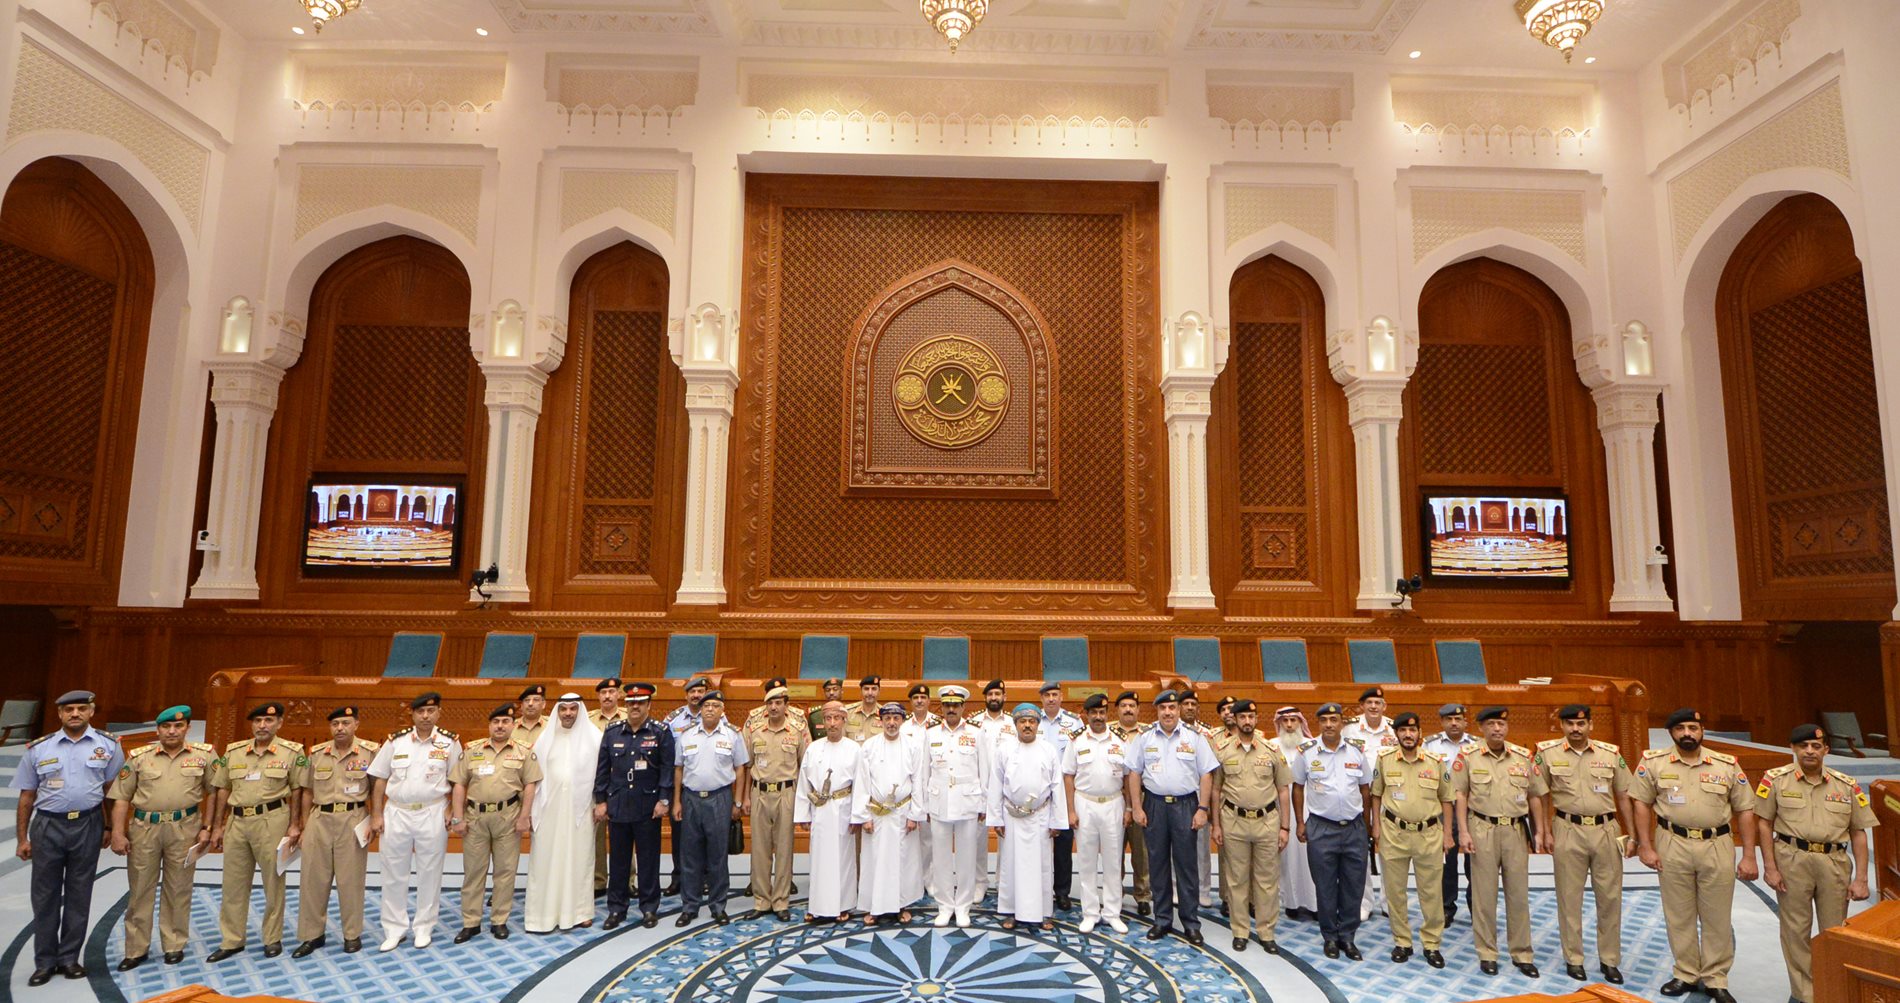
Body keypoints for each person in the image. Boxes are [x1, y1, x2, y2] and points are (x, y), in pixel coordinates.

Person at [1631, 707, 1758, 1003]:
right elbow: (1640, 803)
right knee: (1679, 913)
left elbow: (1745, 809)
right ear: (1671, 733)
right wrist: (1645, 845)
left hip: (1717, 844)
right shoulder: (1654, 763)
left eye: (1693, 728)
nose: (1687, 733)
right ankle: (1686, 973)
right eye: (1681, 729)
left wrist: (1749, 855)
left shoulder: (1726, 765)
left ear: (1701, 731)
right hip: (1671, 841)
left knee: (1717, 914)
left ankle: (1715, 977)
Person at [1758, 723, 1878, 1003]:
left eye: (1815, 746)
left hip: (1833, 861)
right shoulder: (1776, 780)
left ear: (1826, 749)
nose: (1809, 751)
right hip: (1791, 859)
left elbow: (1859, 832)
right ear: (1793, 748)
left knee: (1834, 930)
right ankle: (1805, 994)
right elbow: (1764, 824)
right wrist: (1771, 866)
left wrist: (1861, 878)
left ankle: (1833, 990)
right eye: (1803, 746)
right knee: (1795, 929)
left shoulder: (1845, 784)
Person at [14, 690, 123, 985]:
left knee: (79, 892)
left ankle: (69, 957)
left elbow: (113, 792)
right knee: (45, 895)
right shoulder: (39, 748)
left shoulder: (109, 746)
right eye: (68, 709)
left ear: (91, 712)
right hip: (48, 826)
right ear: (59, 714)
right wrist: (22, 838)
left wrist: (112, 828)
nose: (75, 713)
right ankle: (45, 961)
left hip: (88, 824)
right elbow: (26, 797)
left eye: (81, 708)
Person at [1533, 703, 1634, 984]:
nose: (1575, 729)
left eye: (1581, 724)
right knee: (1569, 897)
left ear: (1590, 725)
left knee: (1610, 898)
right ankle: (1574, 958)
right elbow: (1540, 795)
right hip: (1566, 828)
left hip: (1606, 830)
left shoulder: (1610, 754)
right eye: (1570, 724)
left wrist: (1633, 834)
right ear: (1562, 726)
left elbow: (1624, 795)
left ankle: (1609, 960)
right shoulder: (1546, 753)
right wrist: (1544, 832)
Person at [109, 704, 212, 971]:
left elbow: (215, 791)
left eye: (178, 726)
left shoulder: (204, 755)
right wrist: (118, 833)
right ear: (158, 729)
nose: (172, 731)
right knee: (141, 888)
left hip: (185, 827)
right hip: (145, 828)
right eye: (166, 726)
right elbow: (121, 797)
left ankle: (174, 944)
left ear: (187, 728)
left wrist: (208, 827)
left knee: (179, 888)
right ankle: (135, 948)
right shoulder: (139, 757)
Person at [208, 700, 307, 963]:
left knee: (273, 882)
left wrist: (295, 824)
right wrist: (217, 825)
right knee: (233, 884)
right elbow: (222, 789)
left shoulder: (291, 752)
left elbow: (298, 790)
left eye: (269, 721)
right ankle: (232, 939)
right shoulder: (234, 752)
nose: (262, 725)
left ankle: (272, 938)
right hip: (237, 822)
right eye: (258, 721)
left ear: (279, 723)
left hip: (272, 820)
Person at [1456, 706, 1547, 978]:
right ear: (1481, 728)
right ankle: (1487, 952)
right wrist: (1463, 831)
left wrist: (1540, 830)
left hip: (1516, 831)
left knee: (1518, 894)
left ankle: (1522, 953)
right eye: (1492, 724)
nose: (1497, 729)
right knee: (1484, 895)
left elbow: (1535, 796)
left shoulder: (1523, 757)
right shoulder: (1468, 757)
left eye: (1501, 724)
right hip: (1482, 827)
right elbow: (1460, 794)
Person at [1123, 689, 1218, 945]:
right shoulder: (1144, 738)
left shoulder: (1195, 738)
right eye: (1163, 708)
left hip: (1186, 805)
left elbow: (1207, 774)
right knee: (1157, 864)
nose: (1167, 712)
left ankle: (1191, 923)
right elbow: (1133, 773)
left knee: (1187, 866)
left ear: (1178, 711)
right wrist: (1137, 807)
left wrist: (1202, 809)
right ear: (1157, 711)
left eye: (1172, 708)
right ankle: (1162, 919)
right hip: (1154, 805)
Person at [367, 691, 460, 951]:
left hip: (432, 810)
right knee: (392, 871)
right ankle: (394, 928)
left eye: (431, 711)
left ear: (439, 713)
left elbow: (458, 780)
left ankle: (423, 927)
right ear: (413, 713)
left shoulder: (450, 743)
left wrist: (452, 807)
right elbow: (379, 778)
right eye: (421, 711)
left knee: (430, 871)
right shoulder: (396, 742)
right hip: (396, 811)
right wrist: (376, 814)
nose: (426, 716)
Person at [450, 703, 541, 942]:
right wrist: (457, 817)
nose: (500, 726)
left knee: (505, 872)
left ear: (513, 725)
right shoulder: (472, 750)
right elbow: (459, 784)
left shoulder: (524, 751)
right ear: (490, 725)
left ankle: (499, 920)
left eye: (505, 722)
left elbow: (530, 786)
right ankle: (471, 922)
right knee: (473, 872)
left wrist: (525, 816)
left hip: (508, 817)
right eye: (495, 722)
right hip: (475, 818)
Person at [291, 705, 377, 958]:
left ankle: (352, 934)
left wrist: (375, 818)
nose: (340, 728)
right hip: (320, 818)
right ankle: (312, 935)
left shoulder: (370, 752)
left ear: (356, 725)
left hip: (353, 817)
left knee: (350, 881)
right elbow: (307, 792)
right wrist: (305, 826)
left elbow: (377, 788)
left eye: (345, 723)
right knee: (312, 880)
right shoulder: (317, 754)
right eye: (335, 724)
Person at [1369, 711, 1454, 968]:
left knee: (1431, 893)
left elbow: (1447, 799)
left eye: (1413, 730)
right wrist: (1376, 827)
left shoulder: (1435, 761)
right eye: (1403, 730)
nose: (1408, 734)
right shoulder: (1384, 760)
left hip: (1429, 835)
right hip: (1394, 833)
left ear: (1419, 733)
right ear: (1396, 734)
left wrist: (1448, 834)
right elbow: (1375, 794)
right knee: (1396, 892)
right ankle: (1402, 942)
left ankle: (1431, 944)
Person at [1290, 701, 1371, 960]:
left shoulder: (1357, 751)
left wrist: (1367, 825)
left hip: (1353, 828)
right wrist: (1301, 823)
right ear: (1318, 724)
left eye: (1333, 720)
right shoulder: (1306, 752)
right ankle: (1330, 937)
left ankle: (1348, 937)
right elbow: (1298, 787)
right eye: (1324, 721)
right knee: (1324, 886)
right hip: (1321, 828)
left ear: (1341, 724)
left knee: (1353, 885)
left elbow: (1366, 789)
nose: (1328, 725)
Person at [1211, 699, 1292, 953]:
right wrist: (1216, 825)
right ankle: (1240, 931)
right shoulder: (1222, 751)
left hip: (1267, 823)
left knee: (1267, 880)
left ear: (1257, 719)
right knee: (1236, 880)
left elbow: (1283, 791)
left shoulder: (1270, 751)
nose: (1247, 721)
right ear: (1234, 719)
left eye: (1251, 716)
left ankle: (1267, 932)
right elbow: (1215, 790)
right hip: (1233, 822)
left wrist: (1285, 828)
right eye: (1242, 716)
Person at [591, 683, 669, 929]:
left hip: (648, 805)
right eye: (631, 703)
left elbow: (667, 769)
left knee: (648, 859)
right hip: (619, 804)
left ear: (648, 705)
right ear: (626, 705)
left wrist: (664, 800)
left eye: (641, 702)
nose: (635, 707)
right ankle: (617, 908)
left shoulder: (659, 732)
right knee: (619, 860)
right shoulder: (613, 732)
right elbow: (602, 769)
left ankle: (648, 907)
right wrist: (601, 800)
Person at [673, 689, 748, 926]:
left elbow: (740, 769)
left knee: (717, 856)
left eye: (715, 706)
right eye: (706, 706)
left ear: (722, 710)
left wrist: (737, 801)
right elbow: (678, 769)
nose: (710, 709)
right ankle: (690, 906)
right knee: (690, 856)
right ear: (700, 710)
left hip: (720, 799)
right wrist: (676, 801)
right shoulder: (686, 736)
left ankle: (718, 906)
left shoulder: (732, 735)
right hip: (691, 799)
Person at [990, 703, 1067, 931]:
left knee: (1041, 866)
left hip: (1040, 817)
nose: (1027, 726)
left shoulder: (1048, 750)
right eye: (1022, 722)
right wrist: (996, 819)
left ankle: (1043, 913)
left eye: (1031, 722)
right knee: (1011, 865)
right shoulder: (1004, 750)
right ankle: (1011, 911)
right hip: (1012, 817)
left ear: (1037, 724)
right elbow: (995, 784)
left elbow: (1057, 787)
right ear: (1015, 725)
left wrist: (1057, 820)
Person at [923, 683, 991, 928]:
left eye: (955, 705)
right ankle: (944, 906)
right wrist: (924, 806)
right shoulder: (930, 734)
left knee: (966, 857)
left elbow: (985, 770)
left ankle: (963, 907)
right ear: (941, 707)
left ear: (963, 707)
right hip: (939, 801)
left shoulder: (976, 733)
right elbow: (923, 772)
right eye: (947, 705)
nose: (951, 709)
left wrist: (984, 803)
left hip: (968, 802)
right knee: (940, 858)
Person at [534, 694, 603, 931]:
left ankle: (580, 912)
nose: (568, 713)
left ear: (580, 711)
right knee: (547, 858)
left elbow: (603, 775)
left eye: (573, 709)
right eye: (563, 709)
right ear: (557, 711)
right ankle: (543, 915)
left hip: (581, 809)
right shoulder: (545, 739)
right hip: (549, 809)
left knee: (580, 859)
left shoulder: (594, 738)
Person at [856, 702, 926, 924]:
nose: (892, 723)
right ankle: (874, 907)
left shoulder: (913, 746)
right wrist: (863, 816)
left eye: (896, 718)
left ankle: (900, 905)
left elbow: (918, 781)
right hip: (876, 813)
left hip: (902, 813)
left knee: (902, 861)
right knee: (875, 860)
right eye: (888, 718)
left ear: (902, 721)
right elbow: (862, 783)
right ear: (881, 720)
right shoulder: (869, 746)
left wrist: (915, 814)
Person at [1065, 693, 1130, 934]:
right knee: (1087, 861)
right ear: (1086, 715)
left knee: (1113, 861)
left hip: (1114, 803)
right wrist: (1071, 810)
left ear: (1107, 714)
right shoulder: (1076, 741)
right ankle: (1090, 913)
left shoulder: (1120, 741)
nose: (1099, 717)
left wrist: (1130, 807)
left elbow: (1128, 776)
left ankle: (1113, 912)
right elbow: (1068, 776)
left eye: (1102, 713)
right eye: (1094, 713)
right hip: (1085, 804)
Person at [745, 683, 808, 920]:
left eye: (778, 703)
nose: (773, 707)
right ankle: (762, 900)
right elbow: (747, 764)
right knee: (759, 850)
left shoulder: (796, 731)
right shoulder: (755, 731)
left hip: (787, 793)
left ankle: (781, 901)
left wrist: (802, 802)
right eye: (770, 703)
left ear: (786, 706)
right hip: (759, 793)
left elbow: (804, 766)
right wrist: (743, 799)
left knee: (784, 849)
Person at [796, 700, 860, 923]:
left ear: (844, 720)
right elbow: (804, 783)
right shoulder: (813, 748)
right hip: (820, 810)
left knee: (843, 859)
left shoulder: (854, 749)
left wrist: (857, 816)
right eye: (828, 719)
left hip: (844, 809)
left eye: (837, 718)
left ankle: (843, 905)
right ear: (823, 722)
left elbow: (861, 786)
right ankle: (817, 905)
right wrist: (803, 814)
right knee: (820, 859)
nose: (833, 723)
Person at [1423, 703, 1477, 925]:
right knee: (1446, 862)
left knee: (1475, 861)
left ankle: (1477, 906)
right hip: (1442, 810)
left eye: (1458, 719)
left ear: (1465, 721)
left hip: (1472, 810)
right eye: (1449, 720)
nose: (1454, 723)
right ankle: (1447, 907)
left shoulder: (1476, 745)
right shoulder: (1430, 745)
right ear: (1442, 722)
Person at [662, 676, 711, 896]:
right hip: (680, 787)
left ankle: (705, 878)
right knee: (679, 835)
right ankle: (679, 877)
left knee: (705, 834)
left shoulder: (715, 715)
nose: (697, 695)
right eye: (693, 692)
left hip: (706, 785)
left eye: (701, 691)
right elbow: (665, 754)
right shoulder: (673, 720)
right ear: (686, 695)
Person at [1037, 681, 1082, 910]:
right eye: (1047, 695)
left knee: (1064, 846)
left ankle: (1062, 892)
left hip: (1065, 792)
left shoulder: (1074, 723)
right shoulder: (1033, 721)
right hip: (1040, 791)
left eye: (1055, 694)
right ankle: (1039, 889)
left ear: (1061, 697)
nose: (1051, 699)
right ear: (1041, 699)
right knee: (1039, 843)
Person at [1272, 706, 1318, 919]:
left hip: (1309, 809)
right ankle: (1291, 902)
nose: (1289, 725)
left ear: (1301, 723)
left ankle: (1315, 903)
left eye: (1293, 720)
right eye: (1285, 721)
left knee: (1312, 858)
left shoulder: (1311, 747)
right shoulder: (1272, 746)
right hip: (1281, 811)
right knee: (1287, 858)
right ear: (1279, 723)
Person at [1111, 691, 1153, 919]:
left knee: (1141, 851)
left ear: (1138, 710)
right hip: (1114, 797)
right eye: (1124, 705)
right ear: (1117, 709)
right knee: (1113, 848)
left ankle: (1143, 895)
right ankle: (1114, 894)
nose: (1128, 709)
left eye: (1132, 706)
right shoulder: (1107, 731)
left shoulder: (1148, 733)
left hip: (1142, 799)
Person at [588, 677, 629, 895]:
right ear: (598, 696)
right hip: (598, 784)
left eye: (612, 692)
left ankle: (628, 881)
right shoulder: (588, 720)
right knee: (597, 835)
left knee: (625, 832)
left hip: (623, 784)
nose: (607, 696)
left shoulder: (628, 716)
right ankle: (598, 881)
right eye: (603, 692)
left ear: (619, 695)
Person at [844, 676, 883, 741]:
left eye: (874, 689)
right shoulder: (847, 712)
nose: (870, 693)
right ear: (861, 691)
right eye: (866, 689)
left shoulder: (885, 714)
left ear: (879, 691)